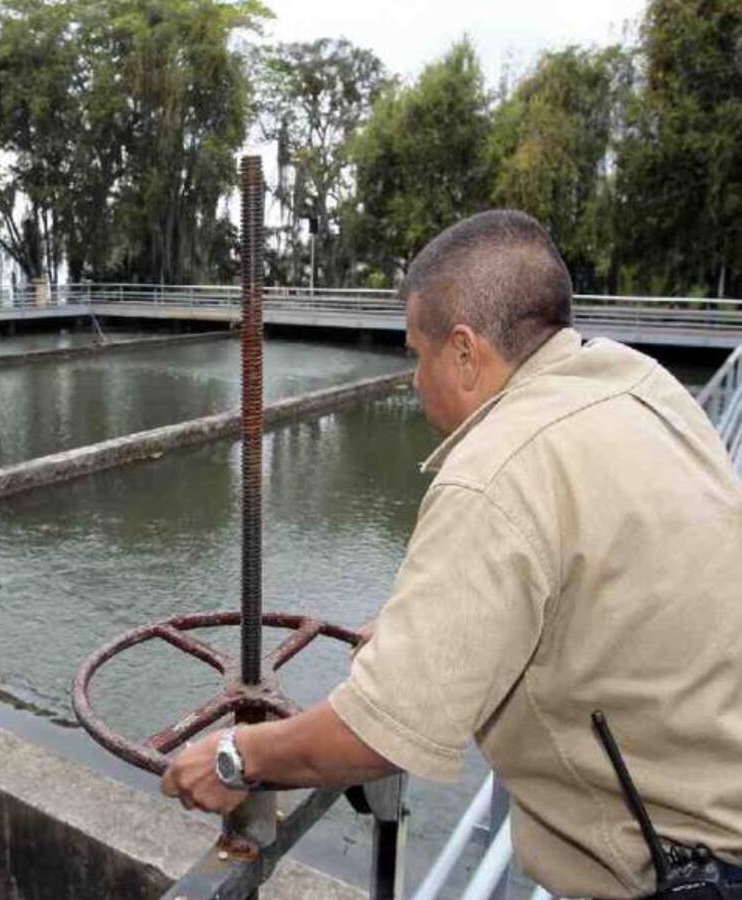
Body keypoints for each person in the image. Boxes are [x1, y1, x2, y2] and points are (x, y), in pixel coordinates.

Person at [161, 210, 742, 898]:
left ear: (463, 352)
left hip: (685, 878)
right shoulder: (637, 383)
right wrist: (432, 635)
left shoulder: (496, 471)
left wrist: (236, 756)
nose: (412, 380)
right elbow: (595, 587)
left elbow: (379, 733)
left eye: (416, 353)